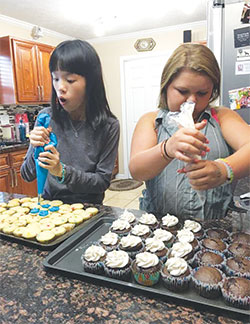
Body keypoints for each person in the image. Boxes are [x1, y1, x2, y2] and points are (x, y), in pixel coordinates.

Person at [129, 43, 250, 220]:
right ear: (166, 86)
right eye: (182, 91)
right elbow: (137, 171)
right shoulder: (151, 121)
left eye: (202, 93)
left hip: (214, 226)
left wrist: (223, 169)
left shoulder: (222, 117)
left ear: (212, 91)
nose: (191, 101)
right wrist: (167, 149)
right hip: (161, 226)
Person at [21, 39, 120, 204]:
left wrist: (61, 171)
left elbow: (102, 182)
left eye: (70, 80)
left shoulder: (109, 125)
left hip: (89, 209)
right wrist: (35, 150)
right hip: (50, 207)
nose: (60, 87)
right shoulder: (46, 118)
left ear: (90, 83)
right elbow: (27, 175)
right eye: (55, 78)